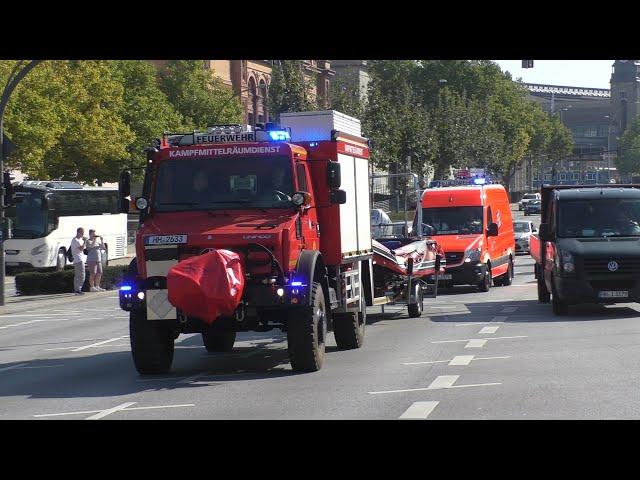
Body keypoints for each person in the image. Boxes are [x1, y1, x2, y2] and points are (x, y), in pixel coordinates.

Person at [70, 227, 87, 295]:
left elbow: (84, 248)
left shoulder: (80, 240)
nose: (83, 234)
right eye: (82, 233)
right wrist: (85, 241)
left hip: (80, 259)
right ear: (78, 232)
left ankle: (77, 289)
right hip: (78, 259)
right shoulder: (75, 240)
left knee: (78, 275)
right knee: (81, 275)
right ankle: (78, 289)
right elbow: (81, 248)